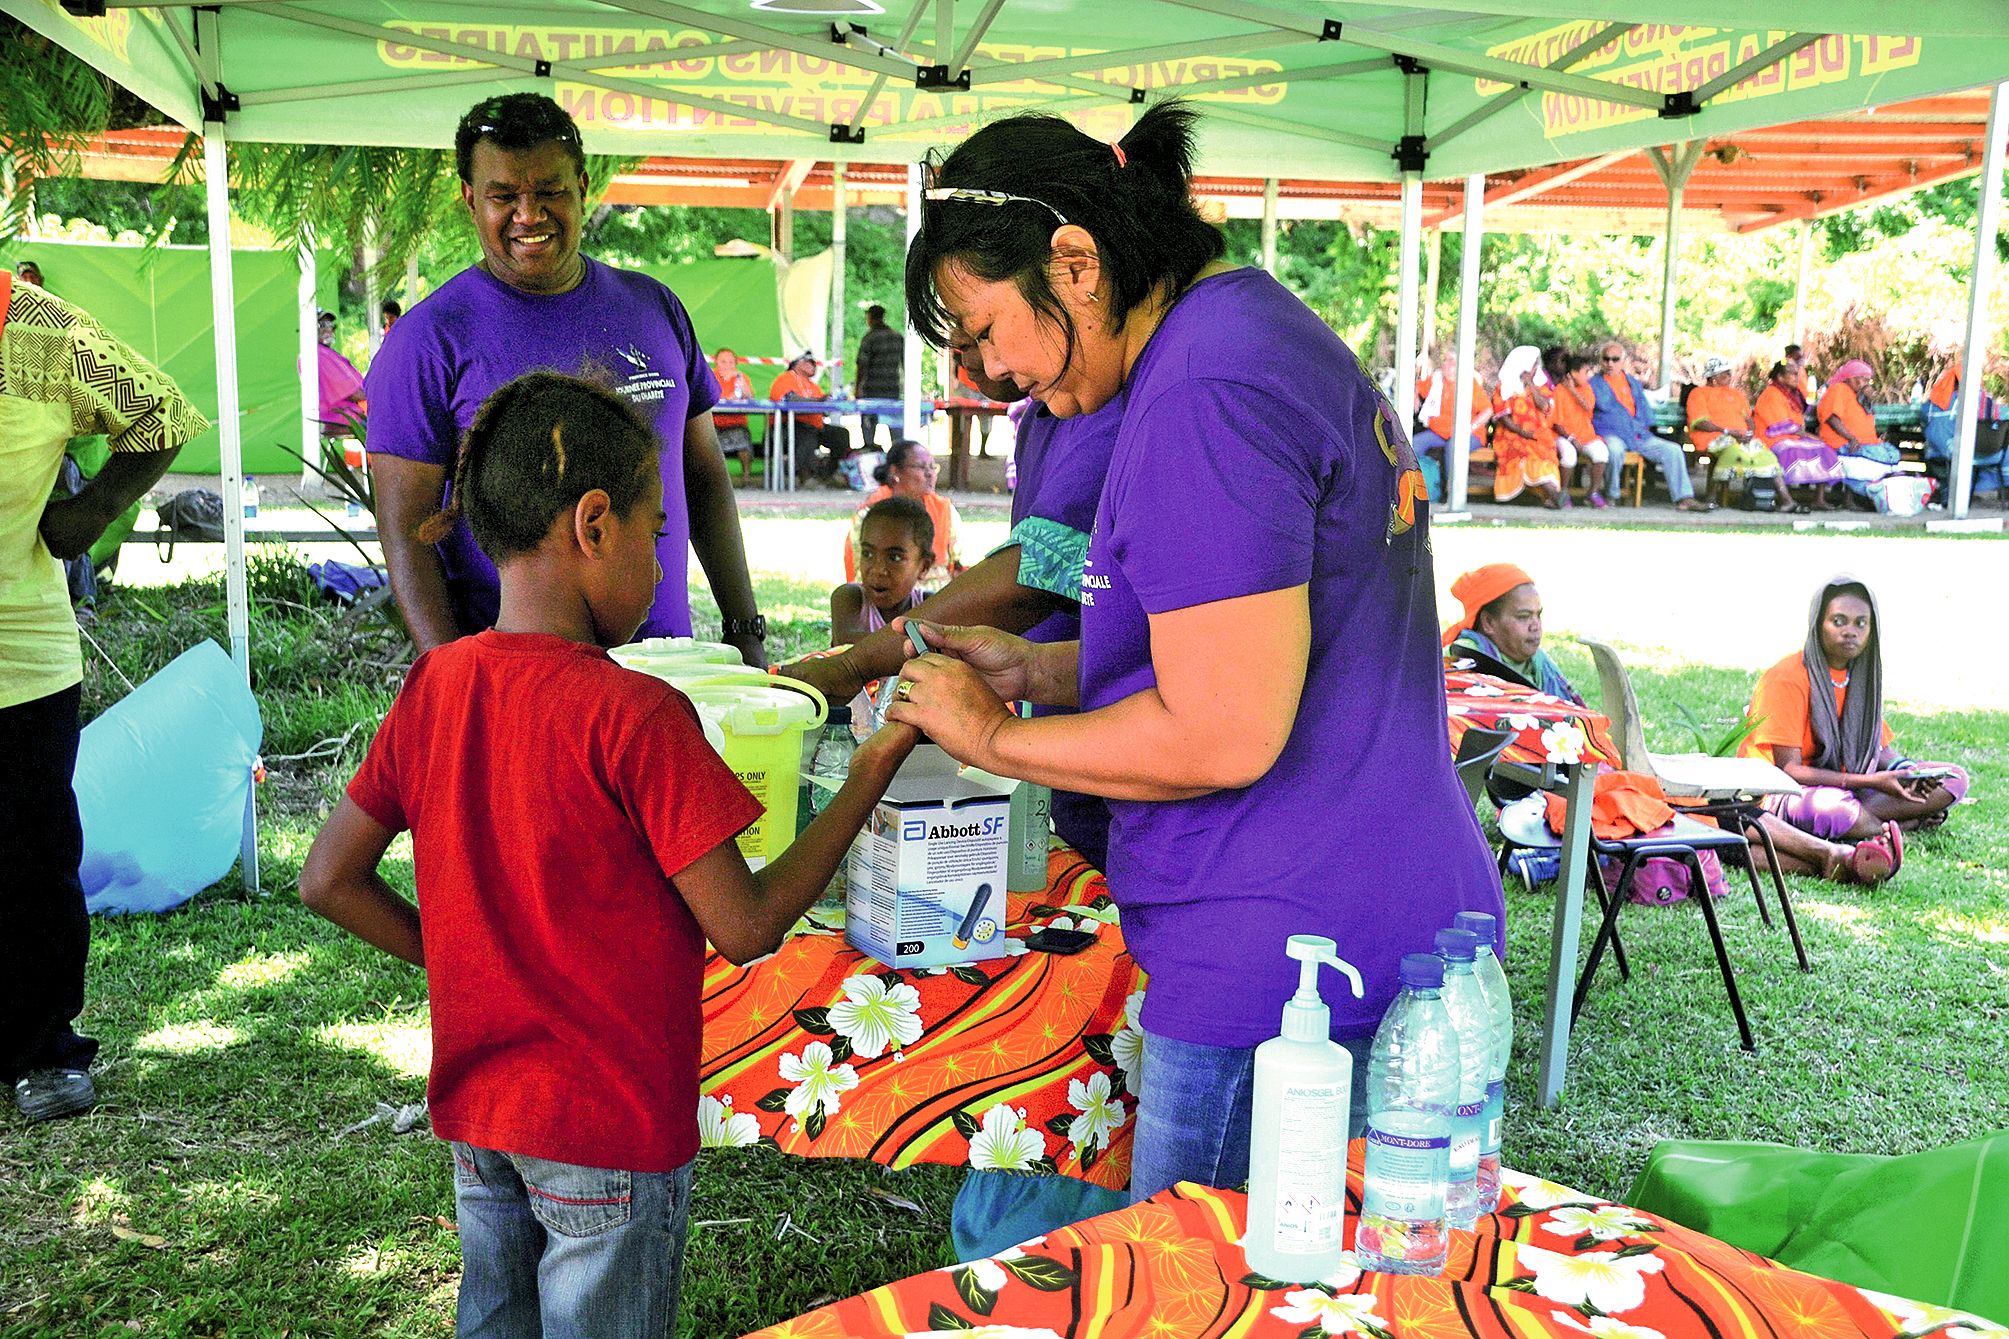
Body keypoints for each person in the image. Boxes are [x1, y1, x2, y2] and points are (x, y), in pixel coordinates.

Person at [887, 102, 1500, 1204]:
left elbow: (1221, 729)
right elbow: (1255, 654)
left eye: (982, 329)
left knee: (1210, 1299)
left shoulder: (1206, 389)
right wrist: (1034, 674)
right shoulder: (1241, 333)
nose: (985, 371)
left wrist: (990, 736)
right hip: (1350, 910)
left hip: (1288, 955)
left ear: (1072, 264)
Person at [298, 372, 917, 1339]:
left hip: (481, 1114)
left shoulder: (439, 684)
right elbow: (747, 924)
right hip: (611, 1129)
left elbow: (327, 877)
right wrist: (871, 765)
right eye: (657, 531)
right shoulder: (634, 713)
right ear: (594, 526)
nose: (662, 553)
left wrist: (467, 960)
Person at [362, 93, 765, 662]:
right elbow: (406, 531)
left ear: (581, 186)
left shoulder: (654, 309)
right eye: (505, 196)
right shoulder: (427, 340)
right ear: (470, 199)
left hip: (667, 666)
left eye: (550, 191)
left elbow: (702, 477)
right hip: (522, 688)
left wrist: (744, 630)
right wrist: (456, 682)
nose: (529, 214)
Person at [1, 271, 207, 1122]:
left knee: (30, 851)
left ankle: (45, 1047)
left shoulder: (39, 331)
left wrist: (87, 517)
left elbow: (160, 416)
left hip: (22, 654)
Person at [1739, 577, 1966, 880]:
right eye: (1838, 621)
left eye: (1861, 623)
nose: (1851, 632)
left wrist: (1908, 773)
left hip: (1853, 786)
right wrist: (1874, 781)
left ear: (1872, 631)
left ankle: (1870, 823)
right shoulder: (1787, 677)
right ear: (1818, 624)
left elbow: (1880, 749)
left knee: (1954, 779)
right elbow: (1789, 771)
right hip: (1783, 792)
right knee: (1836, 809)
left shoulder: (1861, 676)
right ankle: (1903, 824)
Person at [1590, 339, 1710, 512]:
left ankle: (1684, 498)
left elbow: (1644, 409)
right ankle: (1612, 495)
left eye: (1615, 359)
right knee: (1614, 450)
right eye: (1606, 359)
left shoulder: (1632, 382)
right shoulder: (1594, 384)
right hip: (1610, 433)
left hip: (1637, 434)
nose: (1610, 363)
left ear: (1623, 361)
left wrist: (1644, 427)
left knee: (1673, 450)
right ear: (1600, 361)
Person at [1440, 563, 1582, 704]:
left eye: (1538, 614)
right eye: (1523, 616)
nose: (1535, 626)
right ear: (1488, 622)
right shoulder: (1464, 664)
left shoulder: (1540, 663)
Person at [842, 439, 962, 592]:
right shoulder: (873, 513)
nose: (930, 474)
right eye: (921, 467)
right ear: (895, 472)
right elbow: (859, 568)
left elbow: (957, 564)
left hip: (939, 600)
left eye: (933, 467)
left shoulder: (944, 509)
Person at [830, 495, 931, 645]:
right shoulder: (850, 598)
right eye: (868, 554)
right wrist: (920, 642)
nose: (878, 570)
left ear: (923, 567)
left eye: (895, 557)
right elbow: (847, 644)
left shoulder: (928, 604)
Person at [1686, 355, 1785, 507]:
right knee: (1733, 451)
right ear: (1713, 378)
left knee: (1767, 456)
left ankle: (1787, 500)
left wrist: (1749, 434)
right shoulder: (1698, 394)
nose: (1730, 376)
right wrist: (1728, 431)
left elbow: (1749, 420)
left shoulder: (1736, 394)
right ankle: (1712, 497)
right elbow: (1700, 423)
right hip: (1716, 438)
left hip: (1741, 438)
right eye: (1725, 374)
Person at [1751, 360, 1845, 511]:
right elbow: (1782, 425)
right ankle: (1787, 501)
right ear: (1780, 377)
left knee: (1823, 448)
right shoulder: (1771, 394)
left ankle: (1818, 499)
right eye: (1793, 374)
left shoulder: (1791, 395)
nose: (1797, 377)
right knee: (1793, 450)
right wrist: (1810, 436)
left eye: (1798, 374)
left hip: (1792, 437)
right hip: (1771, 438)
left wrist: (1810, 437)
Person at [1816, 359, 1902, 502]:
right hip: (1841, 442)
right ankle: (1872, 495)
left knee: (1892, 455)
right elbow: (1832, 418)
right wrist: (1851, 438)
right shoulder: (1838, 389)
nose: (1866, 383)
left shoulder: (1858, 395)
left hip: (1863, 443)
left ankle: (1858, 499)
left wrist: (1868, 397)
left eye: (1868, 380)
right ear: (1851, 378)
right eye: (1863, 379)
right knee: (1877, 458)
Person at [1489, 346, 1564, 508]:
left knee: (1545, 453)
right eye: (1532, 364)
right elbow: (1503, 417)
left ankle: (1550, 495)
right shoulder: (1504, 387)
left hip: (1538, 434)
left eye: (1537, 364)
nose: (1535, 368)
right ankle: (1551, 495)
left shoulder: (1539, 385)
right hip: (1511, 434)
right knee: (1524, 453)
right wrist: (1522, 432)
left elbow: (1545, 406)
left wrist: (1530, 384)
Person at [1412, 347, 1492, 501]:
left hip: (1469, 434)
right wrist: (1415, 396)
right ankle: (1414, 488)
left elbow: (1487, 410)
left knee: (1454, 447)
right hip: (1439, 432)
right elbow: (1417, 386)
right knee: (1413, 444)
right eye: (1446, 359)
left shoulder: (1470, 383)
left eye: (1451, 361)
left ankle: (1452, 493)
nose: (1447, 364)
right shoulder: (1436, 379)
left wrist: (1469, 428)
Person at [767, 351, 852, 485]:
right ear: (797, 363)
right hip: (787, 426)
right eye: (810, 362)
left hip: (814, 426)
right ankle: (805, 476)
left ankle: (826, 473)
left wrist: (832, 401)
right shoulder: (785, 379)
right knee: (806, 433)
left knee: (840, 435)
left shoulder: (813, 385)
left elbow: (822, 409)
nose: (814, 365)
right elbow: (788, 399)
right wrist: (817, 401)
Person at [1548, 352, 1611, 507]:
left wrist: (1573, 390)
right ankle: (1563, 493)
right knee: (1569, 455)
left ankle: (1592, 492)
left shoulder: (1587, 388)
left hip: (1586, 436)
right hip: (1562, 436)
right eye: (1585, 372)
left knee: (1601, 452)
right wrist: (1571, 439)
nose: (1588, 375)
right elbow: (1556, 423)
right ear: (1573, 374)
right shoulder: (1558, 391)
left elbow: (1587, 406)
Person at [852, 303, 905, 449]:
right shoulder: (897, 337)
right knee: (894, 422)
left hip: (872, 388)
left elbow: (862, 365)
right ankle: (898, 450)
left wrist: (857, 388)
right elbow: (905, 363)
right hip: (892, 387)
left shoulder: (869, 338)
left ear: (870, 318)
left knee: (869, 422)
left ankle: (869, 447)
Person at [709, 348, 757, 488]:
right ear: (716, 362)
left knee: (742, 437)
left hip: (736, 424)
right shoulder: (710, 376)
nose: (727, 365)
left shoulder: (741, 377)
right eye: (723, 361)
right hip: (713, 424)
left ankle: (746, 478)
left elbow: (750, 398)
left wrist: (741, 383)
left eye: (731, 362)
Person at [314, 310, 368, 433]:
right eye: (322, 325)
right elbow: (354, 394)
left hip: (352, 415)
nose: (329, 330)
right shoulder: (319, 355)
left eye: (331, 326)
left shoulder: (327, 353)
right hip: (343, 419)